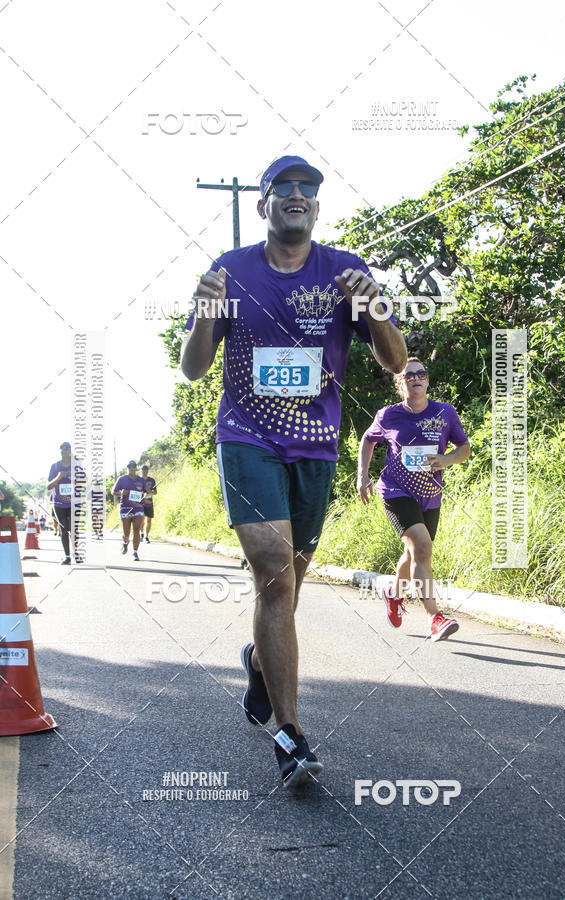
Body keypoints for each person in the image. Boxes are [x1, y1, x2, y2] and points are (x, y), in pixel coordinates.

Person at [181, 154, 407, 787]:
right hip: (247, 440)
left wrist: (375, 309)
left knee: (288, 587)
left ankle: (259, 661)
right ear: (265, 204)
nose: (298, 194)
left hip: (314, 446)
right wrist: (205, 315)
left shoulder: (345, 271)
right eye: (285, 187)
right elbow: (193, 369)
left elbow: (396, 362)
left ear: (317, 206)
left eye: (309, 187)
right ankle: (290, 735)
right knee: (276, 579)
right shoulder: (230, 271)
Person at [357, 358, 470, 640]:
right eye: (409, 375)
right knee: (421, 546)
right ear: (400, 384)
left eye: (421, 373)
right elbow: (368, 439)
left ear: (427, 380)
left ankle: (394, 593)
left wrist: (445, 460)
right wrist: (362, 475)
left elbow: (464, 447)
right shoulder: (389, 415)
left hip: (430, 495)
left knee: (413, 553)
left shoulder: (444, 412)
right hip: (396, 491)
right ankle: (435, 617)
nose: (416, 378)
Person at [112, 460, 146, 561]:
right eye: (130, 466)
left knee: (136, 530)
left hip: (138, 508)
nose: (132, 468)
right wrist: (121, 493)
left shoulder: (141, 480)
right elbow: (113, 491)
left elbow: (146, 491)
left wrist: (146, 494)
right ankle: (125, 542)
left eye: (134, 466)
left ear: (136, 468)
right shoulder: (122, 479)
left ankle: (135, 552)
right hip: (125, 508)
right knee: (126, 533)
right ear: (127, 468)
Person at [47, 441, 73, 564]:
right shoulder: (55, 467)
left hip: (74, 503)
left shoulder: (76, 465)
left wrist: (76, 478)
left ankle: (77, 552)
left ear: (70, 451)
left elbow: (84, 480)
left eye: (66, 448)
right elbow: (48, 486)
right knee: (64, 529)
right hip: (59, 503)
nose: (64, 450)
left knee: (73, 529)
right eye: (62, 448)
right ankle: (67, 556)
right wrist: (58, 477)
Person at [140, 465, 157, 543]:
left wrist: (150, 491)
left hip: (149, 502)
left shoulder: (151, 480)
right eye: (143, 470)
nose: (144, 471)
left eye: (146, 470)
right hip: (140, 503)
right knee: (141, 519)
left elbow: (155, 492)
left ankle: (146, 536)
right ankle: (141, 533)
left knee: (149, 520)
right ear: (140, 471)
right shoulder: (138, 480)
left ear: (148, 471)